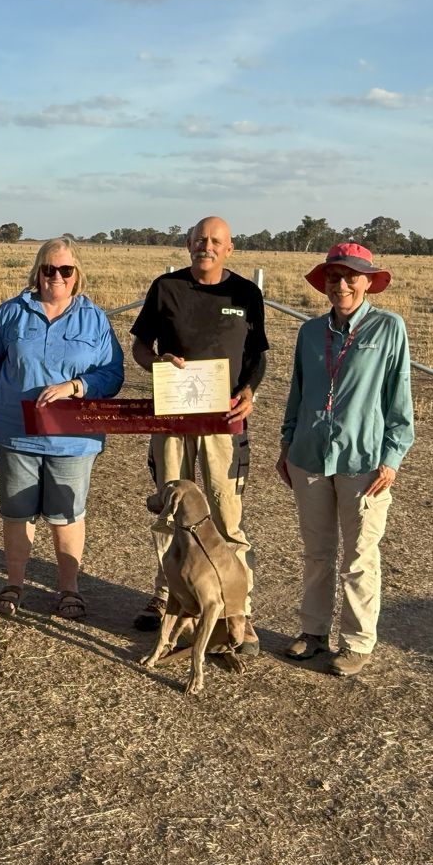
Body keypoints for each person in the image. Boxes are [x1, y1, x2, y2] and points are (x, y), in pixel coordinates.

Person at [129, 215, 267, 655]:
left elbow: (257, 355)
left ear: (229, 248)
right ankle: (166, 597)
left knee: (226, 515)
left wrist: (249, 391)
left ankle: (237, 610)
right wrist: (156, 363)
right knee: (171, 511)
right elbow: (139, 346)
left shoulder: (246, 294)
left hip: (224, 423)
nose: (206, 246)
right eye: (199, 239)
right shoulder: (165, 288)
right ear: (188, 244)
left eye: (215, 241)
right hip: (171, 420)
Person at [277, 242, 414, 677]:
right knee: (317, 553)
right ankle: (313, 631)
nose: (341, 286)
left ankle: (356, 642)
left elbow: (399, 398)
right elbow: (297, 392)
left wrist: (392, 457)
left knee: (359, 556)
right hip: (309, 456)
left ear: (368, 282)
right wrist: (287, 443)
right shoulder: (309, 332)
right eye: (334, 277)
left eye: (351, 277)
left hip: (364, 461)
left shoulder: (388, 328)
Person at [0, 237, 124, 621]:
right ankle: (14, 583)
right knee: (17, 512)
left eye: (65, 269)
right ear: (37, 271)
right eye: (48, 268)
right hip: (16, 431)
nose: (56, 276)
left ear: (77, 274)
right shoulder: (10, 313)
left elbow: (112, 374)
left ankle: (68, 588)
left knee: (68, 513)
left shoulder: (95, 319)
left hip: (73, 438)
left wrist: (76, 386)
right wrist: (21, 394)